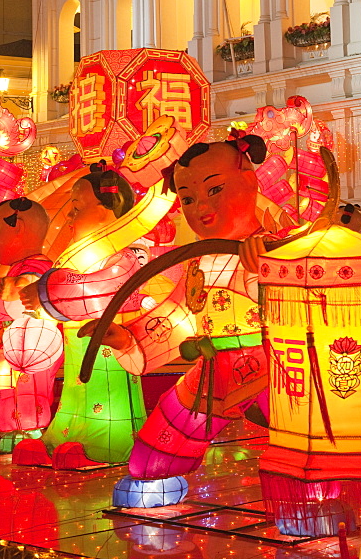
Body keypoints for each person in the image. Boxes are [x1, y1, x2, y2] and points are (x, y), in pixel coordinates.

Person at [85, 134, 292, 508]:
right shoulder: (198, 260)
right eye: (189, 198)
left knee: (306, 444)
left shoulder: (279, 249)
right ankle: (157, 485)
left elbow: (304, 307)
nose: (202, 209)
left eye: (215, 190)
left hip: (278, 364)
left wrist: (271, 268)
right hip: (214, 365)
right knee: (154, 452)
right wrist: (125, 339)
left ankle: (309, 500)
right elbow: (177, 313)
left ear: (249, 181)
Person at [15, 166, 149, 468]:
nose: (69, 218)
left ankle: (107, 445)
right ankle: (64, 435)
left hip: (112, 345)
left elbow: (94, 289)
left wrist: (46, 292)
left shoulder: (123, 258)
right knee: (74, 391)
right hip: (77, 340)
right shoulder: (78, 256)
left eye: (76, 209)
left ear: (108, 210)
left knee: (103, 393)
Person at [0, 198, 61, 451]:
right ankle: (14, 430)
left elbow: (35, 283)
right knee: (9, 391)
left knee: (28, 389)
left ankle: (29, 430)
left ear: (19, 226)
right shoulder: (10, 267)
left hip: (28, 345)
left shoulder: (36, 265)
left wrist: (17, 287)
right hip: (5, 346)